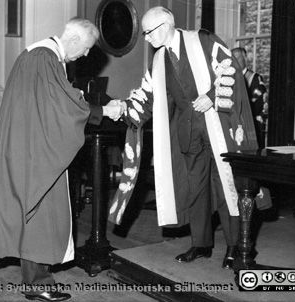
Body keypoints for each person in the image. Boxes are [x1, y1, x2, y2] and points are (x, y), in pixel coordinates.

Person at [0, 18, 123, 301]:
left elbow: (54, 100)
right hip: (37, 153)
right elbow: (63, 106)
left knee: (34, 214)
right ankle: (38, 284)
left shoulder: (37, 55)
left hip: (28, 147)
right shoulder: (45, 57)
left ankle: (35, 281)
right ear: (72, 40)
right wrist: (103, 111)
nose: (84, 55)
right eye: (85, 48)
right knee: (42, 214)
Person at [108, 7, 259, 270]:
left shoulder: (203, 40)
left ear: (165, 25)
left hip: (217, 127)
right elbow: (147, 94)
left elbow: (231, 69)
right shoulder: (158, 60)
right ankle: (201, 243)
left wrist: (211, 96)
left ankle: (235, 245)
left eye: (148, 32)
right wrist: (123, 108)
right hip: (188, 133)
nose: (146, 38)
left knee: (226, 186)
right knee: (195, 187)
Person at [232, 47, 268, 148]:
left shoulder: (254, 78)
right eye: (232, 58)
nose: (234, 61)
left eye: (237, 58)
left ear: (245, 59)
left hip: (251, 126)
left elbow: (257, 104)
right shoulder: (230, 79)